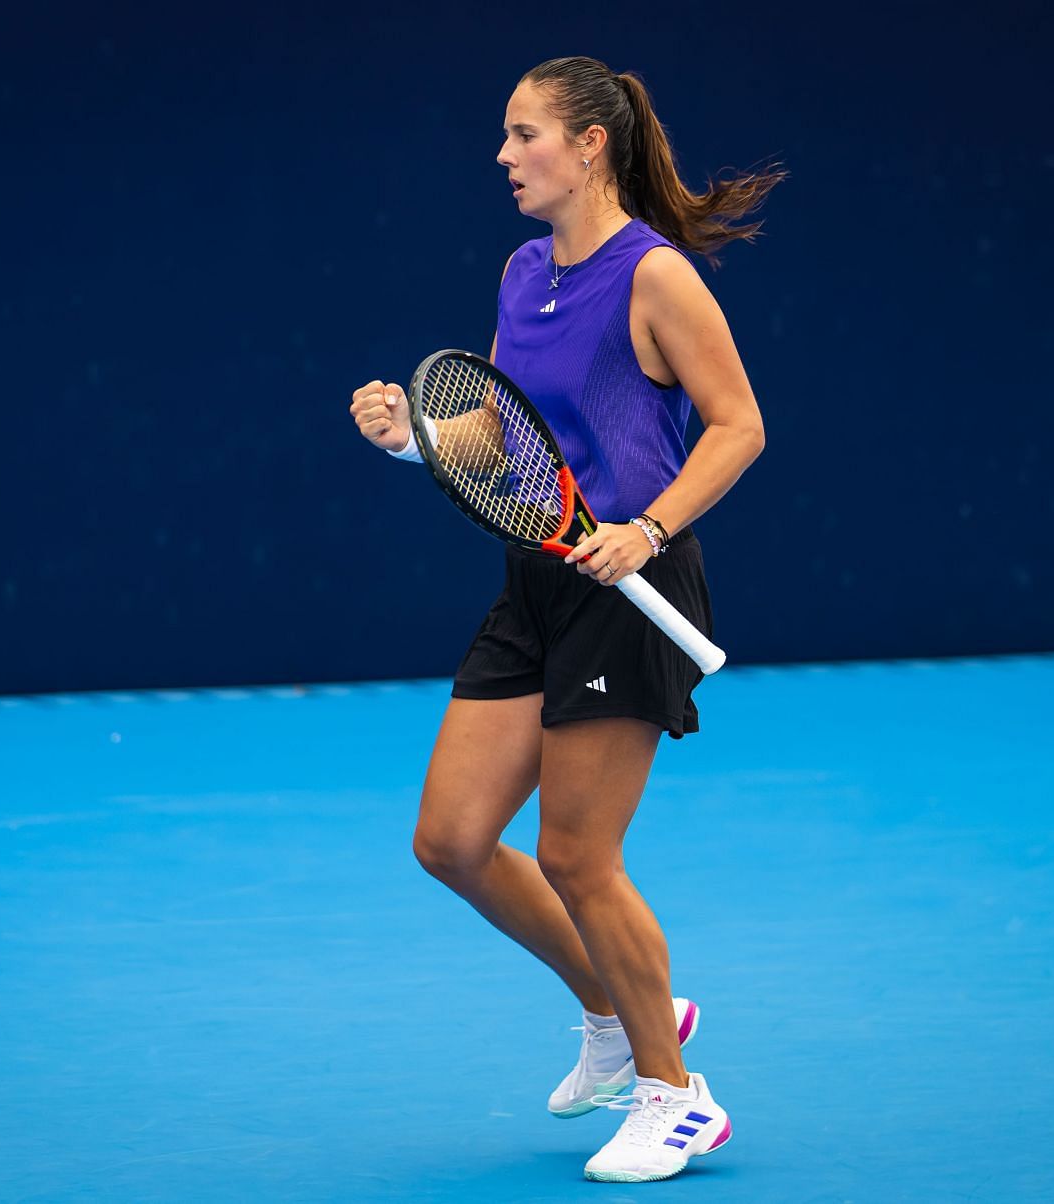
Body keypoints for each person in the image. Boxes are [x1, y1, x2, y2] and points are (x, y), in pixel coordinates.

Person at [348, 55, 781, 1184]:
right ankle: (615, 1006)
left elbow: (738, 427)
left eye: (524, 133)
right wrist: (413, 440)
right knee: (449, 837)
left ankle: (677, 1097)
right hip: (537, 579)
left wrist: (646, 528)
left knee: (580, 854)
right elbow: (500, 436)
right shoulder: (521, 271)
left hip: (630, 591)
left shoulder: (658, 279)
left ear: (590, 145)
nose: (504, 155)